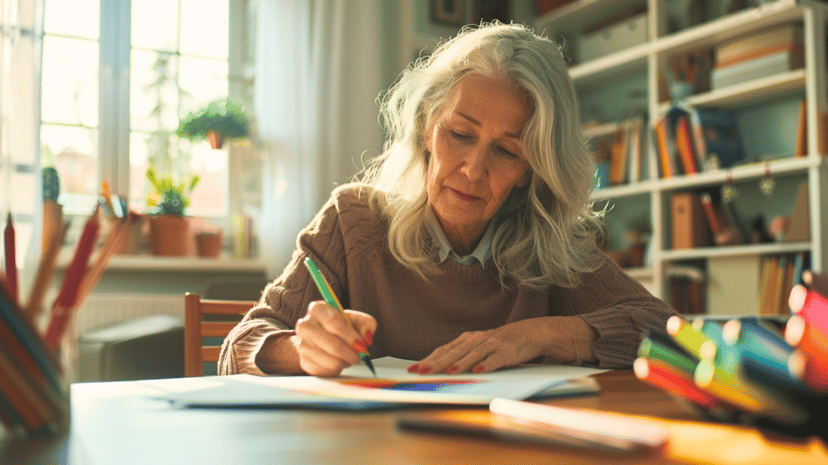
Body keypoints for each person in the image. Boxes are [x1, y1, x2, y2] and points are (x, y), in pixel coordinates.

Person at [218, 22, 677, 378]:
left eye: (506, 151)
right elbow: (237, 346)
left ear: (529, 171)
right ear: (425, 130)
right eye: (460, 134)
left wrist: (541, 334)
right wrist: (299, 350)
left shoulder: (551, 246)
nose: (474, 170)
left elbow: (674, 338)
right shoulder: (352, 219)